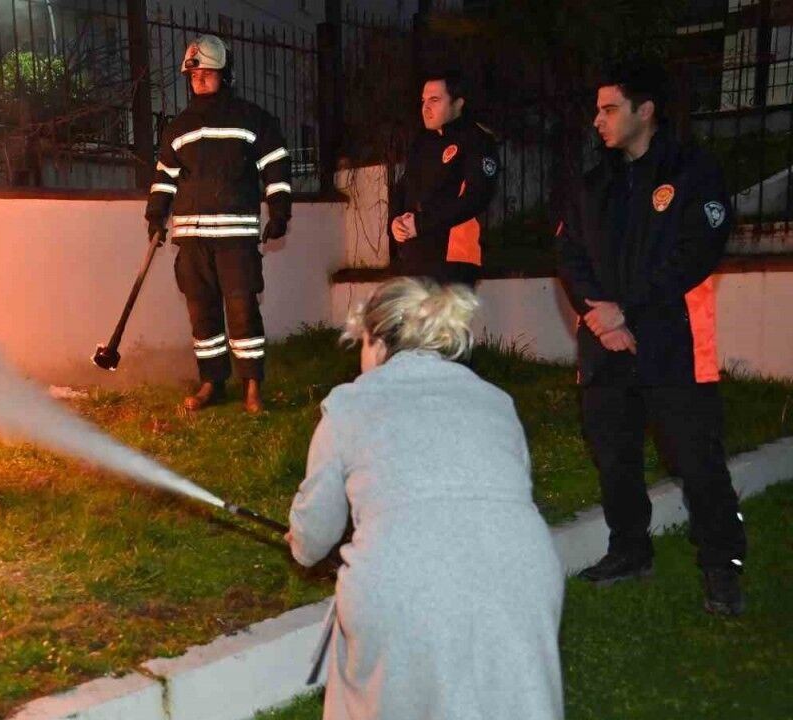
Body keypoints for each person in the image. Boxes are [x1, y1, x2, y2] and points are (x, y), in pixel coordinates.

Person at [287, 277, 563, 720]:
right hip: (523, 573)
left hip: (403, 584)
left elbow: (313, 535)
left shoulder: (348, 405)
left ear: (377, 343)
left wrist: (299, 542)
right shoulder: (495, 400)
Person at [556, 62, 747, 616]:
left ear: (645, 111)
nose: (598, 120)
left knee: (696, 459)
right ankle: (629, 551)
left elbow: (697, 254)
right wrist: (599, 315)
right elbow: (569, 254)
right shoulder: (595, 184)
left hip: (672, 344)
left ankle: (722, 565)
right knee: (615, 457)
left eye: (609, 109)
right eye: (596, 110)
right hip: (606, 344)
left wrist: (628, 311)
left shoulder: (692, 171)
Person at [145, 34, 292, 414]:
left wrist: (280, 212)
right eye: (194, 75)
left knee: (242, 312)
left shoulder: (252, 120)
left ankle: (252, 385)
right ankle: (212, 382)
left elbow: (276, 166)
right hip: (192, 241)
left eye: (207, 73)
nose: (199, 80)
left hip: (234, 241)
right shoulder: (178, 128)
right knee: (202, 315)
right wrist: (155, 215)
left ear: (225, 75)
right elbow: (164, 177)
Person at [388, 70, 499, 286]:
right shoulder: (422, 140)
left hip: (453, 260)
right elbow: (404, 185)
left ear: (458, 103)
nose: (426, 107)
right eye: (423, 101)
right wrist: (395, 221)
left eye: (435, 100)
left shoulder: (477, 140)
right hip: (415, 256)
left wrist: (421, 224)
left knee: (442, 310)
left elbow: (476, 197)